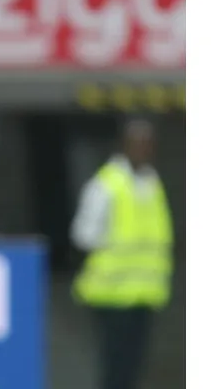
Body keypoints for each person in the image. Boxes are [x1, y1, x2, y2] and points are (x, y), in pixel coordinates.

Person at [71, 119, 174, 389]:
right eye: (137, 144)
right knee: (114, 365)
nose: (143, 150)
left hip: (143, 294)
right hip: (111, 294)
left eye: (148, 144)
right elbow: (83, 234)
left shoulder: (152, 182)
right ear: (124, 146)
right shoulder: (107, 184)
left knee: (133, 365)